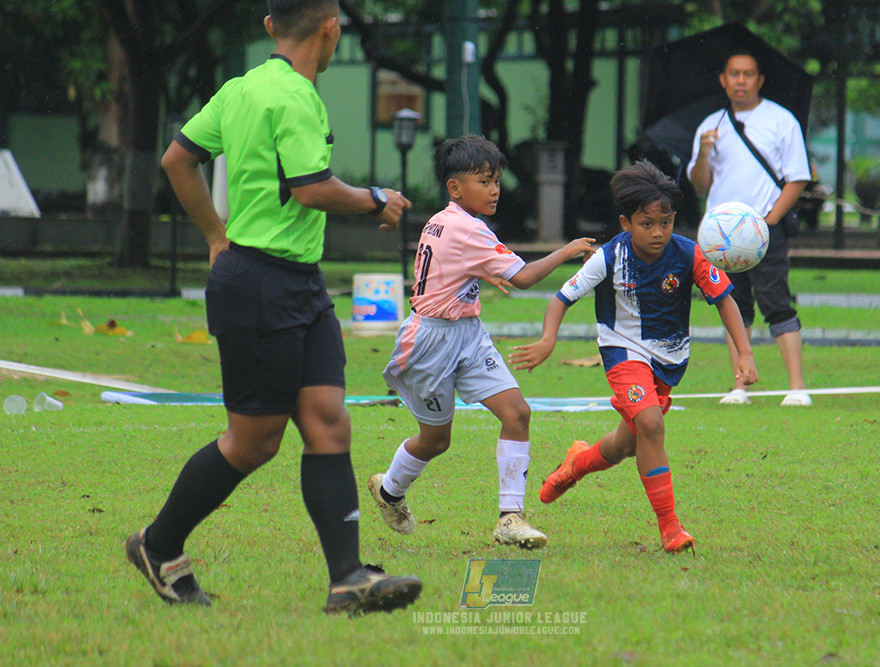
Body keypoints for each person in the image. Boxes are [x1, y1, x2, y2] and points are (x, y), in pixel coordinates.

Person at [126, 0, 423, 615]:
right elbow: (310, 189)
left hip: (297, 283)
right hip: (261, 285)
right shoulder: (294, 96)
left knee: (328, 421)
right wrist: (376, 199)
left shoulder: (242, 88)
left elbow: (178, 158)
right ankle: (158, 545)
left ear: (270, 27)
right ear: (331, 27)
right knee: (253, 441)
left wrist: (215, 236)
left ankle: (348, 579)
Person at [509, 159, 757, 553]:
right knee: (651, 425)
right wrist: (547, 340)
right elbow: (561, 299)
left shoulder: (688, 254)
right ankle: (670, 527)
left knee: (628, 444)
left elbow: (725, 299)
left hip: (669, 361)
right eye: (647, 224)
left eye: (666, 222)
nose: (658, 232)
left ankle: (576, 463)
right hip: (623, 352)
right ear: (626, 223)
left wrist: (744, 352)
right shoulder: (609, 257)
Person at [366, 135, 596, 549]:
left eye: (496, 181)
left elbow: (452, 264)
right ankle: (389, 491)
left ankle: (511, 517)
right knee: (436, 441)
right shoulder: (469, 228)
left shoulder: (443, 219)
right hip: (431, 342)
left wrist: (479, 272)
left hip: (468, 335)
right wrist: (568, 250)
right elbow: (523, 278)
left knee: (517, 413)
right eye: (484, 181)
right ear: (455, 188)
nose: (494, 190)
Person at [687, 50, 812, 407]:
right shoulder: (711, 125)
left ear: (759, 80)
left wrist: (768, 222)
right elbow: (699, 184)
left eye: (748, 74)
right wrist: (704, 152)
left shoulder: (781, 119)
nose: (740, 81)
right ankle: (740, 385)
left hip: (764, 230)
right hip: (721, 236)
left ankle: (797, 386)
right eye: (734, 74)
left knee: (777, 302)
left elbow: (798, 177)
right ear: (723, 80)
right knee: (732, 305)